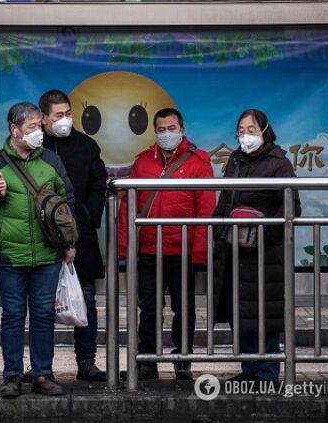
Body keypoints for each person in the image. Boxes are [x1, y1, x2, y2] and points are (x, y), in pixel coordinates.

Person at [0, 102, 76, 398]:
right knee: (13, 314)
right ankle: (12, 375)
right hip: (10, 255)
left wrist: (68, 244)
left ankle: (42, 373)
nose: (38, 132)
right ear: (15, 130)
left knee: (42, 314)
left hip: (47, 254)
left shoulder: (51, 161)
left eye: (40, 126)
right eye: (32, 127)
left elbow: (68, 202)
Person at [118, 108, 216, 380]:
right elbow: (129, 205)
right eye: (161, 129)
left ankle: (182, 360)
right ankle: (147, 361)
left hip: (182, 250)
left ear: (181, 129)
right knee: (148, 306)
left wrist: (200, 252)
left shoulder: (199, 162)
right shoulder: (143, 162)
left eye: (171, 128)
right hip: (149, 249)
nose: (166, 134)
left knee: (184, 307)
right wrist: (126, 248)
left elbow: (206, 208)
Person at [212, 108, 301, 383]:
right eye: (241, 130)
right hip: (234, 249)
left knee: (264, 313)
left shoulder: (278, 163)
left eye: (251, 130)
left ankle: (267, 371)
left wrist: (263, 232)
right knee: (241, 311)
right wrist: (218, 229)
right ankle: (249, 368)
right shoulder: (235, 161)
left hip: (264, 253)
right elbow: (225, 200)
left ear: (264, 131)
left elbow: (292, 207)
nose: (245, 136)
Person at [40, 89, 108, 381]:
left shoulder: (86, 145)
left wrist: (89, 216)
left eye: (68, 114)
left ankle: (87, 361)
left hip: (80, 235)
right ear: (44, 118)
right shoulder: (35, 145)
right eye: (59, 115)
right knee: (41, 303)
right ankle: (42, 367)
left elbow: (98, 183)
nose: (65, 120)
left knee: (87, 300)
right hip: (41, 238)